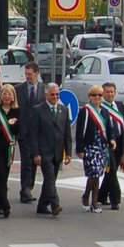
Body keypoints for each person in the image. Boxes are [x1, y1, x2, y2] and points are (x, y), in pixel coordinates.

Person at [25, 82, 73, 216]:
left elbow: (67, 134)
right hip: (44, 152)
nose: (55, 97)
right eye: (53, 94)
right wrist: (35, 154)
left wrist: (68, 152)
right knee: (50, 178)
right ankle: (55, 204)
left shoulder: (64, 110)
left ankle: (42, 205)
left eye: (57, 94)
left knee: (50, 180)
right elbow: (33, 134)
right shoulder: (38, 110)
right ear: (46, 94)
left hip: (58, 152)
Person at [74, 84, 110, 213]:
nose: (97, 97)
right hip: (90, 146)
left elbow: (109, 128)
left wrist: (112, 140)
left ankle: (94, 203)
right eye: (94, 95)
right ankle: (85, 196)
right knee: (93, 173)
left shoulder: (104, 111)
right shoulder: (86, 111)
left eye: (100, 95)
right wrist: (80, 148)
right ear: (90, 97)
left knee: (98, 175)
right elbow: (79, 131)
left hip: (101, 147)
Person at [15, 62, 48, 204]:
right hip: (24, 132)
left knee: (35, 160)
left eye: (30, 74)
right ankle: (25, 189)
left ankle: (29, 187)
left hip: (39, 132)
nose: (27, 76)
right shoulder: (19, 89)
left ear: (36, 73)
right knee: (26, 161)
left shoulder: (43, 89)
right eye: (26, 74)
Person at [97, 81, 124, 210]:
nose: (110, 94)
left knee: (112, 171)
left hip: (120, 143)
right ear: (103, 93)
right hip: (108, 144)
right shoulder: (101, 107)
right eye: (107, 92)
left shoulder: (120, 105)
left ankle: (102, 195)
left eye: (112, 92)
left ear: (115, 93)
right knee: (112, 172)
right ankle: (115, 199)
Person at [0, 82, 21, 218]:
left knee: (4, 177)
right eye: (4, 94)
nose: (7, 96)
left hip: (9, 148)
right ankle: (5, 205)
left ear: (13, 97)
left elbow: (18, 131)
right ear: (0, 96)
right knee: (0, 176)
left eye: (10, 94)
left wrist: (14, 125)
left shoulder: (16, 111)